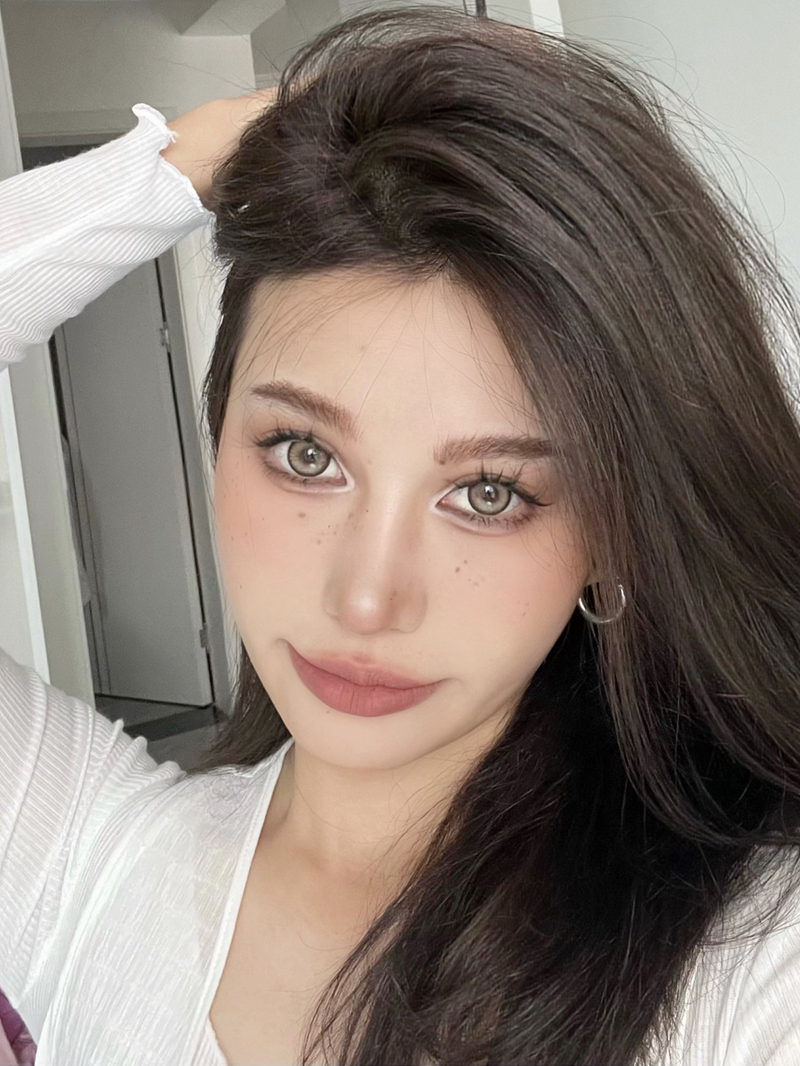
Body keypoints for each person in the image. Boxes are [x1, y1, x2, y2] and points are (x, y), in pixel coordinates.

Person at [2, 6, 800, 1064]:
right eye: (304, 454)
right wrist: (174, 169)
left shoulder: (749, 957)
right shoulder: (90, 866)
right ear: (218, 433)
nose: (366, 598)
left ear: (615, 531)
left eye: (488, 492)